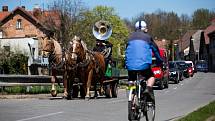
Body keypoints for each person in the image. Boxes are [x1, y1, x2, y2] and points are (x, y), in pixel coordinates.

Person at [125, 20, 163, 102]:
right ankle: (148, 89)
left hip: (130, 65)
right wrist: (160, 61)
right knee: (151, 76)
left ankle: (131, 99)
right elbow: (156, 51)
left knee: (132, 80)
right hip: (144, 65)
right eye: (146, 28)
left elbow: (127, 51)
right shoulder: (148, 38)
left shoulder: (129, 38)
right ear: (144, 28)